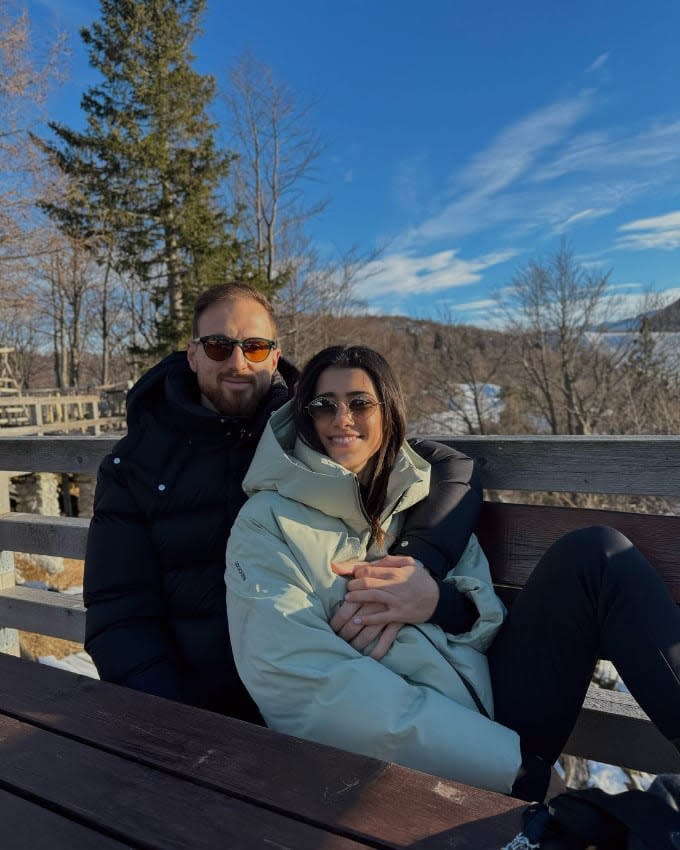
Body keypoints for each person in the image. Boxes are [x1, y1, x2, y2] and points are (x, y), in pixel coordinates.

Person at [225, 344, 680, 799]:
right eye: (325, 405)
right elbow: (303, 685)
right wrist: (514, 768)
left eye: (360, 403)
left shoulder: (414, 498)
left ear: (388, 412)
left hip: (493, 704)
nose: (342, 418)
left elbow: (484, 617)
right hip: (413, 765)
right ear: (307, 416)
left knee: (596, 555)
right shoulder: (267, 522)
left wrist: (438, 603)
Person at [83, 283, 482, 720]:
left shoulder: (314, 427)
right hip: (196, 707)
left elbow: (450, 468)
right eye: (218, 347)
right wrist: (178, 726)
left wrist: (415, 563)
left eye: (254, 347)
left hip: (320, 695)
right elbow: (119, 613)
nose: (237, 362)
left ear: (274, 356)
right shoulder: (137, 462)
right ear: (192, 354)